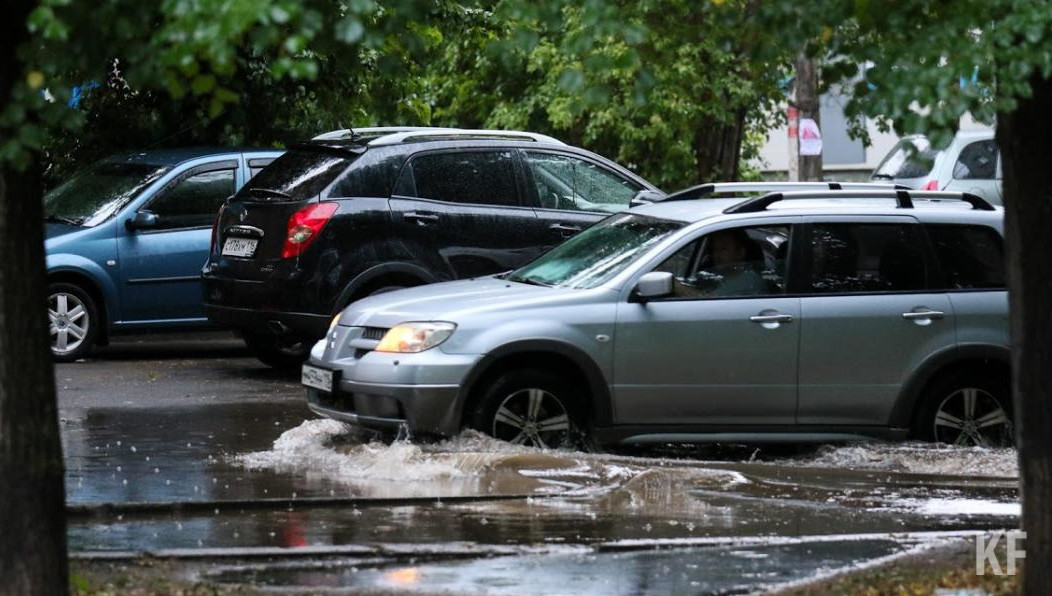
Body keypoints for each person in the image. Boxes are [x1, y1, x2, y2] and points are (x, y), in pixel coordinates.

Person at [700, 229, 768, 297]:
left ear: (740, 253)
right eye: (715, 249)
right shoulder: (722, 278)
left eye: (724, 249)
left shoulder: (748, 281)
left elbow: (712, 299)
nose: (717, 255)